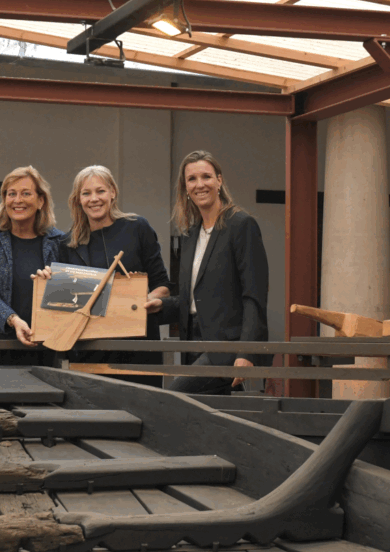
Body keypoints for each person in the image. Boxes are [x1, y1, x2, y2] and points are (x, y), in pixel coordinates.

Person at [147, 150, 269, 395]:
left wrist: (246, 352)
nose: (199, 184)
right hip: (192, 343)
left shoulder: (241, 224)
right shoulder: (191, 234)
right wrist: (162, 305)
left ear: (219, 181)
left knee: (173, 397)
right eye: (192, 179)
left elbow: (254, 295)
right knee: (206, 413)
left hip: (226, 347)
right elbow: (196, 300)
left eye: (206, 176)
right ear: (185, 187)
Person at [59, 165, 170, 381]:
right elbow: (65, 302)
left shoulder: (138, 228)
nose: (94, 199)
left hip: (137, 348)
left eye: (100, 191)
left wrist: (142, 303)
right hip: (90, 351)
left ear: (113, 193)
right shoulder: (67, 244)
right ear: (78, 199)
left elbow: (163, 285)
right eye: (86, 193)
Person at [0, 166, 63, 365]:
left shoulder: (59, 241)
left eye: (26, 193)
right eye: (11, 194)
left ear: (41, 201)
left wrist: (54, 285)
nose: (17, 200)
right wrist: (13, 320)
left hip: (44, 346)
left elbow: (67, 296)